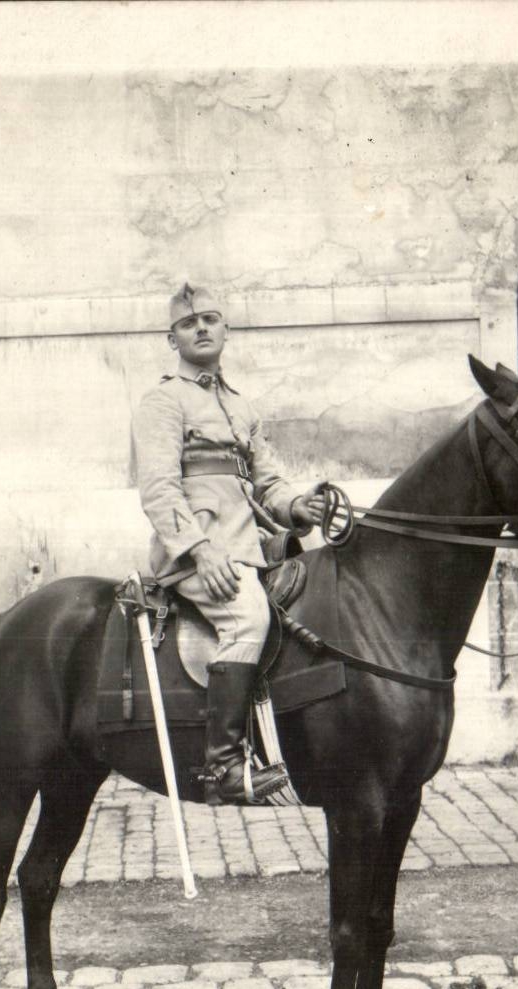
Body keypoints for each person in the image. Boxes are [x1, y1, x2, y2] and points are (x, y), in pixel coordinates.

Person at [132, 283, 326, 804]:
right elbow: (158, 487)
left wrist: (298, 507)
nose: (201, 328)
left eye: (211, 319)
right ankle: (225, 769)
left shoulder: (242, 408)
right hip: (198, 553)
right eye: (189, 323)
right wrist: (199, 549)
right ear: (171, 338)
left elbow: (269, 483)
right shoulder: (164, 400)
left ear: (226, 330)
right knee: (247, 617)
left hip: (248, 548)